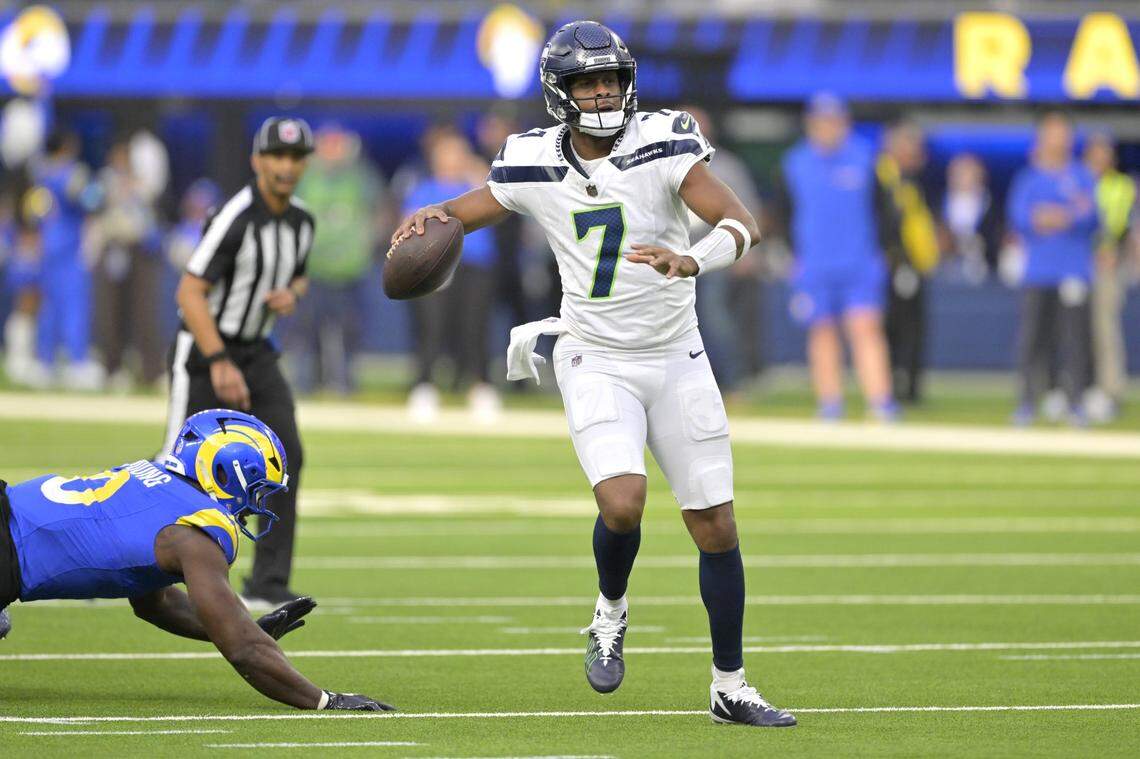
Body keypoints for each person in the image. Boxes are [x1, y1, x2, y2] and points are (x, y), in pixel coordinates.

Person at [392, 21, 794, 728]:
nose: (602, 90)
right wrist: (426, 217)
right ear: (561, 92)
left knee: (716, 523)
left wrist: (692, 258)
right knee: (623, 502)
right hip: (595, 353)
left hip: (677, 352)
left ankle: (729, 684)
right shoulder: (531, 160)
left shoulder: (664, 140)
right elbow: (464, 210)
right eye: (586, 81)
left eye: (609, 77)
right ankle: (610, 608)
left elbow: (739, 219)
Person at [0, 408, 393, 712]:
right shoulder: (197, 530)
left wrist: (243, 627)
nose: (257, 503)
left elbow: (157, 601)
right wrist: (326, 700)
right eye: (257, 488)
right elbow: (243, 650)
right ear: (226, 472)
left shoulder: (155, 479)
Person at [164, 117, 315, 608]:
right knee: (177, 466)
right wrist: (218, 361)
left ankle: (268, 583)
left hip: (256, 351)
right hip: (205, 349)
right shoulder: (236, 216)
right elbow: (189, 292)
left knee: (285, 454)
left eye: (295, 157)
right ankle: (130, 563)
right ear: (257, 160)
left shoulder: (301, 222)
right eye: (277, 155)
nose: (285, 166)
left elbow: (297, 277)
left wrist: (290, 294)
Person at [777, 94, 896, 421]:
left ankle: (880, 402)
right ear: (810, 125)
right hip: (814, 265)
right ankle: (830, 403)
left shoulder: (867, 158)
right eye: (820, 121)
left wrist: (883, 253)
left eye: (833, 120)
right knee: (822, 331)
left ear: (845, 123)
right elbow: (784, 214)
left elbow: (885, 211)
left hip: (859, 262)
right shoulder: (795, 163)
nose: (827, 128)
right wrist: (794, 256)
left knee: (865, 328)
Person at [402, 129, 501, 423]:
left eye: (455, 152)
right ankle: (424, 387)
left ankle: (481, 386)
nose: (450, 159)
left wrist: (469, 163)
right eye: (445, 153)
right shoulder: (424, 188)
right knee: (431, 328)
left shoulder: (475, 187)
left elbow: (497, 187)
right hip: (436, 266)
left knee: (474, 328)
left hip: (475, 264)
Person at [1007, 112, 1098, 426]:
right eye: (1053, 132)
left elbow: (1090, 216)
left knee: (1075, 341)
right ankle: (1027, 402)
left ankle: (1076, 403)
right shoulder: (1029, 178)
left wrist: (1056, 216)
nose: (1059, 139)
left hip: (1074, 271)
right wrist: (1061, 216)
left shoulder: (1082, 176)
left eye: (1064, 132)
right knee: (1032, 340)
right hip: (1037, 272)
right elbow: (1021, 218)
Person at [287, 123, 386, 395]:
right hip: (312, 268)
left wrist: (367, 245)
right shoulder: (304, 176)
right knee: (305, 329)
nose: (332, 150)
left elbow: (379, 211)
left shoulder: (361, 176)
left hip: (350, 268)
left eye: (337, 144)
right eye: (327, 144)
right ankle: (306, 383)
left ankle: (345, 382)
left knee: (350, 328)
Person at [684, 106, 766, 394]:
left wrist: (748, 254)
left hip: (713, 254)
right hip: (674, 255)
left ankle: (732, 381)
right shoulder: (655, 163)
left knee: (715, 318)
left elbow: (748, 213)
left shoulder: (726, 166)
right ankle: (688, 382)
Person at [28, 128, 103, 390]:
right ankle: (76, 362)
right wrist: (98, 190)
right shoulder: (71, 173)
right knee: (74, 305)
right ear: (66, 146)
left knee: (49, 306)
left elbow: (34, 212)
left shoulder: (40, 174)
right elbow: (92, 200)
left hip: (48, 247)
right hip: (70, 248)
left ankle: (44, 361)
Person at [89, 135, 166, 389]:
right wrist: (110, 194)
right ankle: (112, 368)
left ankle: (150, 371)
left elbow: (150, 222)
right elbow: (89, 202)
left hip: (138, 252)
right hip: (112, 251)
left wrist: (133, 192)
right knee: (110, 312)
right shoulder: (104, 181)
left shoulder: (142, 185)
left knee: (143, 312)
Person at [875, 122, 939, 404]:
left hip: (912, 264)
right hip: (892, 264)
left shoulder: (909, 181)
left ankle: (909, 387)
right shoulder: (883, 179)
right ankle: (893, 386)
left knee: (913, 328)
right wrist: (898, 260)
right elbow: (886, 223)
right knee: (896, 328)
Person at [1083, 131, 1135, 422]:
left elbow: (1121, 225)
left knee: (1105, 328)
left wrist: (1111, 250)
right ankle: (1076, 386)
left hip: (1106, 265)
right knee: (1074, 330)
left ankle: (1111, 389)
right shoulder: (1077, 181)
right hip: (1075, 264)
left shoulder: (1121, 185)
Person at [940, 153, 1003, 283]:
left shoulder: (992, 206)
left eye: (971, 173)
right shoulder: (939, 205)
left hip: (984, 271)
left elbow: (997, 235)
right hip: (948, 271)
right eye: (961, 173)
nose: (966, 178)